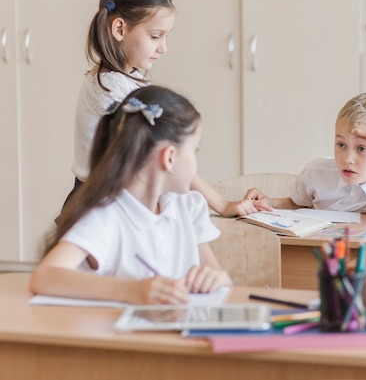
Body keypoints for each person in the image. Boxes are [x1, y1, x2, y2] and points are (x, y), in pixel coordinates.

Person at [67, 0, 262, 217]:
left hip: (118, 201)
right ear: (119, 28)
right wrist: (221, 205)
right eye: (155, 36)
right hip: (100, 207)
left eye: (166, 36)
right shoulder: (110, 88)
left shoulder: (126, 78)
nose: (163, 48)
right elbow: (167, 150)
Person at [30, 86, 232, 304]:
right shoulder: (106, 216)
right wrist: (132, 290)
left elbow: (217, 276)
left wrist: (217, 278)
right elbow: (44, 277)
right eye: (195, 150)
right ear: (170, 157)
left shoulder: (188, 206)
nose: (195, 161)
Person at [250, 93, 366, 216]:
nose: (347, 159)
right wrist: (270, 202)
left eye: (362, 148)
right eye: (341, 145)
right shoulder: (316, 173)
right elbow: (298, 204)